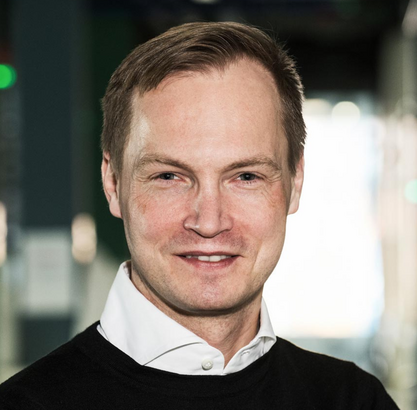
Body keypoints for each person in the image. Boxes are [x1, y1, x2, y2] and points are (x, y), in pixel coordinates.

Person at [0, 21, 399, 409]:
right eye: (169, 176)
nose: (209, 222)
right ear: (113, 184)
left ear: (295, 183)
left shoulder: (354, 400)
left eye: (246, 176)